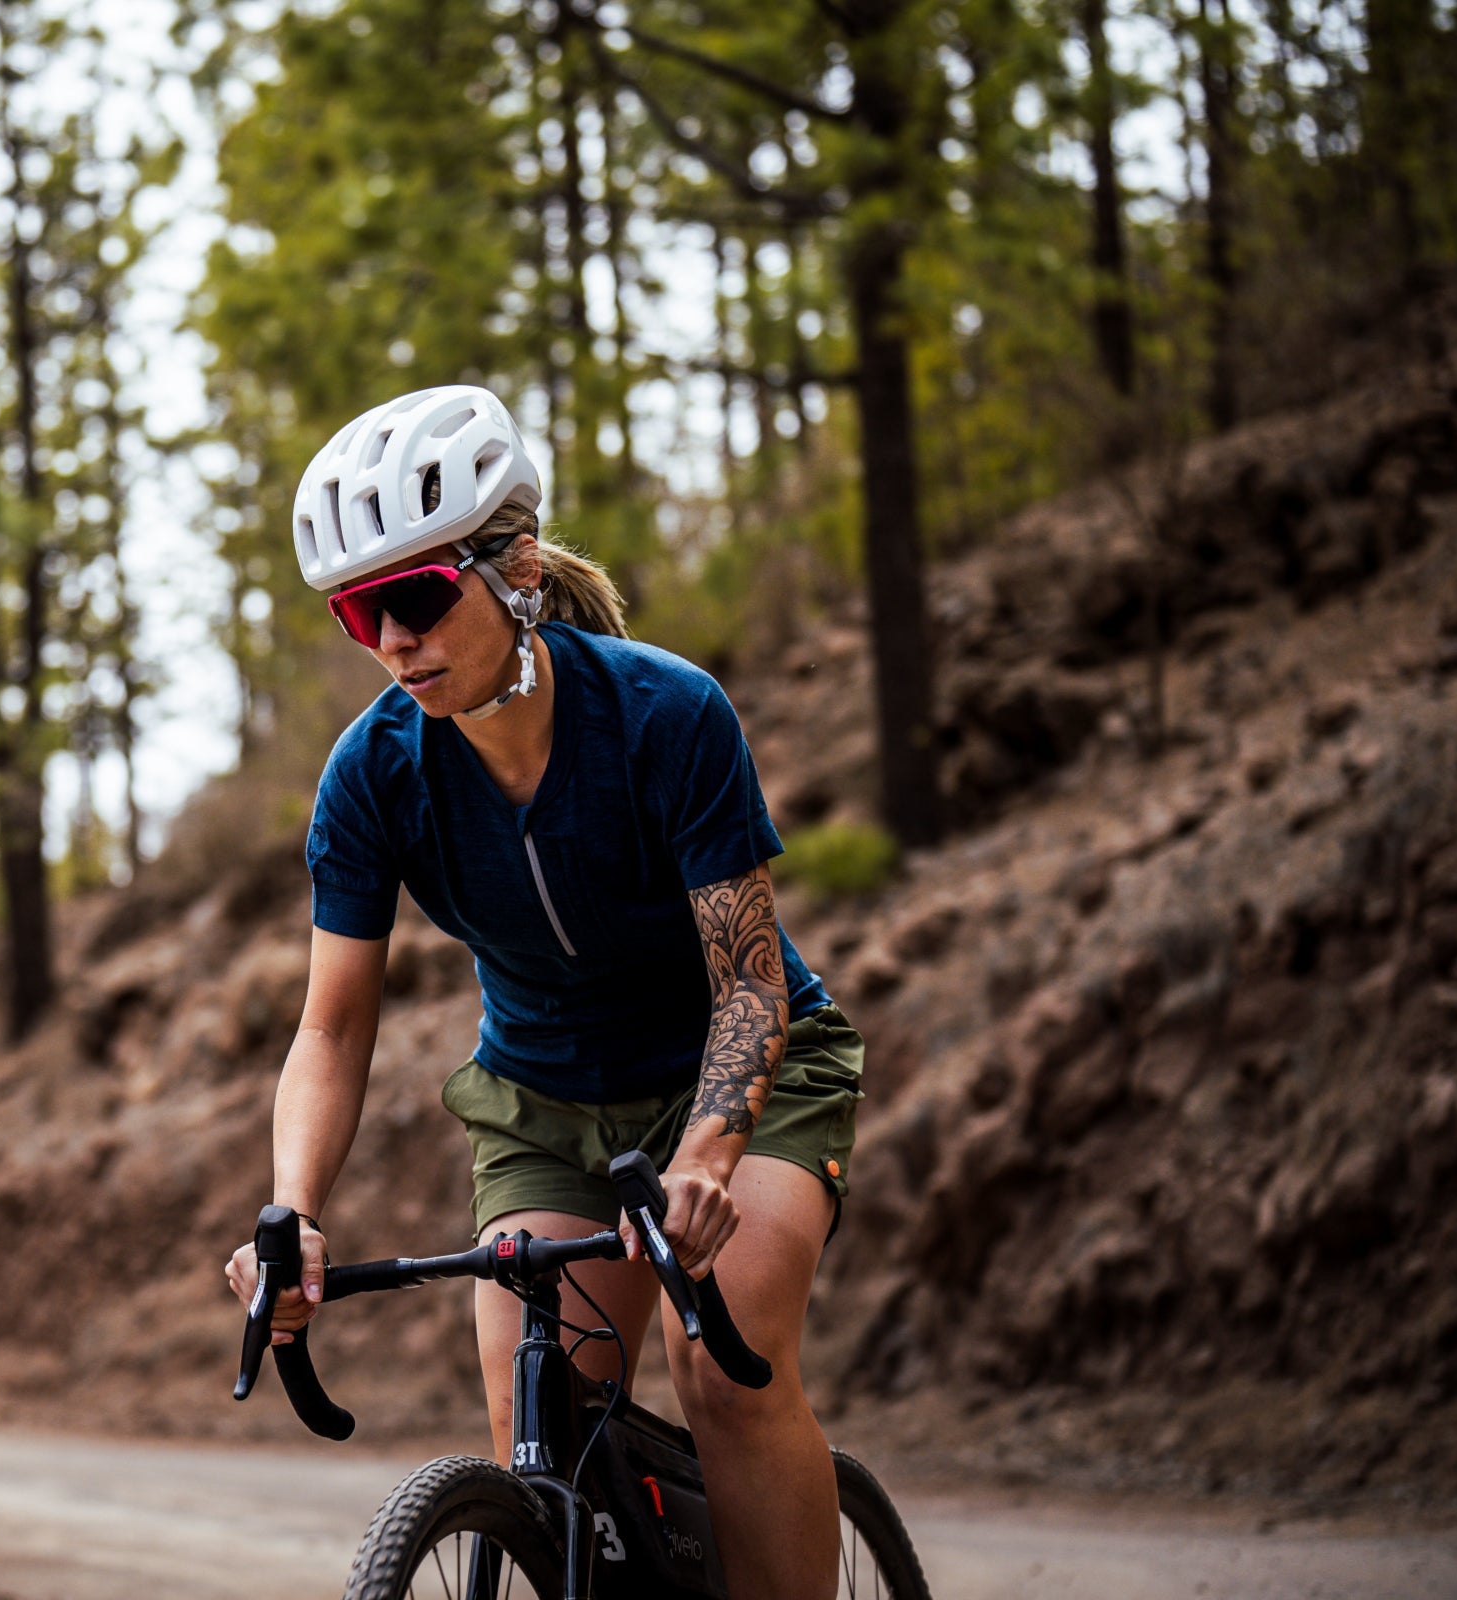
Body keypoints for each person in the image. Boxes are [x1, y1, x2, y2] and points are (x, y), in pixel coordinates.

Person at [223, 385, 863, 1600]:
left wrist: (713, 1153)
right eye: (360, 613)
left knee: (724, 1367)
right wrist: (292, 1209)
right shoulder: (371, 776)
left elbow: (748, 981)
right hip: (543, 1103)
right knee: (544, 1419)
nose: (393, 641)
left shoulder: (666, 713)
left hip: (742, 1074)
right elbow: (331, 1024)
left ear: (515, 568)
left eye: (414, 597)